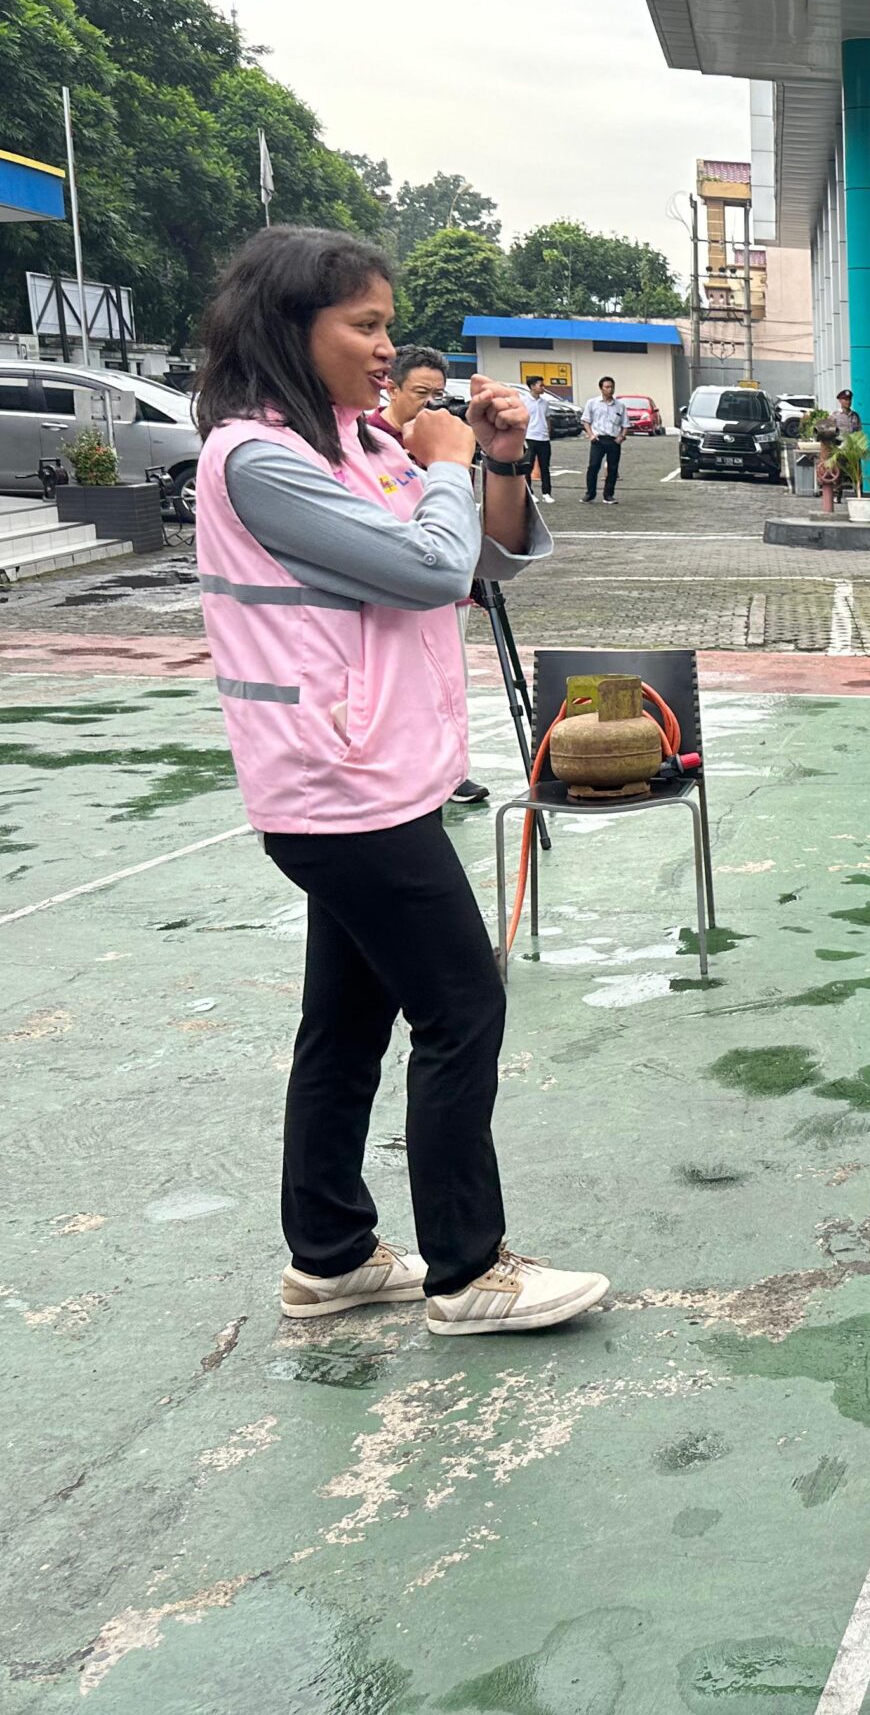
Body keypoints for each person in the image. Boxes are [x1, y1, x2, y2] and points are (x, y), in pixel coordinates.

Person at [192, 227, 609, 1340]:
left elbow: (484, 561)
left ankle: (328, 1255)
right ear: (291, 329)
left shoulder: (354, 444)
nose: (388, 348)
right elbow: (428, 560)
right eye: (364, 326)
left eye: (387, 324)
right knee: (462, 1004)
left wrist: (497, 460)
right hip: (338, 787)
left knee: (345, 1018)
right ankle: (469, 1273)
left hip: (379, 775)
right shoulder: (256, 457)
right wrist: (441, 463)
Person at [369, 346, 496, 809]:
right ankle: (416, 771)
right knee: (408, 684)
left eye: (438, 395)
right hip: (399, 588)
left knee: (451, 679)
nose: (430, 404)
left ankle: (453, 771)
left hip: (448, 589)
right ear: (392, 386)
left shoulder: (442, 438)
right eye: (420, 393)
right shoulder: (369, 442)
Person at [582, 375, 627, 503]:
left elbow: (625, 424)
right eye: (607, 387)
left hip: (613, 440)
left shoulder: (620, 405)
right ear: (601, 388)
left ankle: (608, 495)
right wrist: (591, 435)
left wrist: (621, 437)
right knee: (593, 466)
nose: (610, 390)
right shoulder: (592, 403)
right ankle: (590, 493)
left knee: (612, 468)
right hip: (598, 440)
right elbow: (586, 421)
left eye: (612, 387)